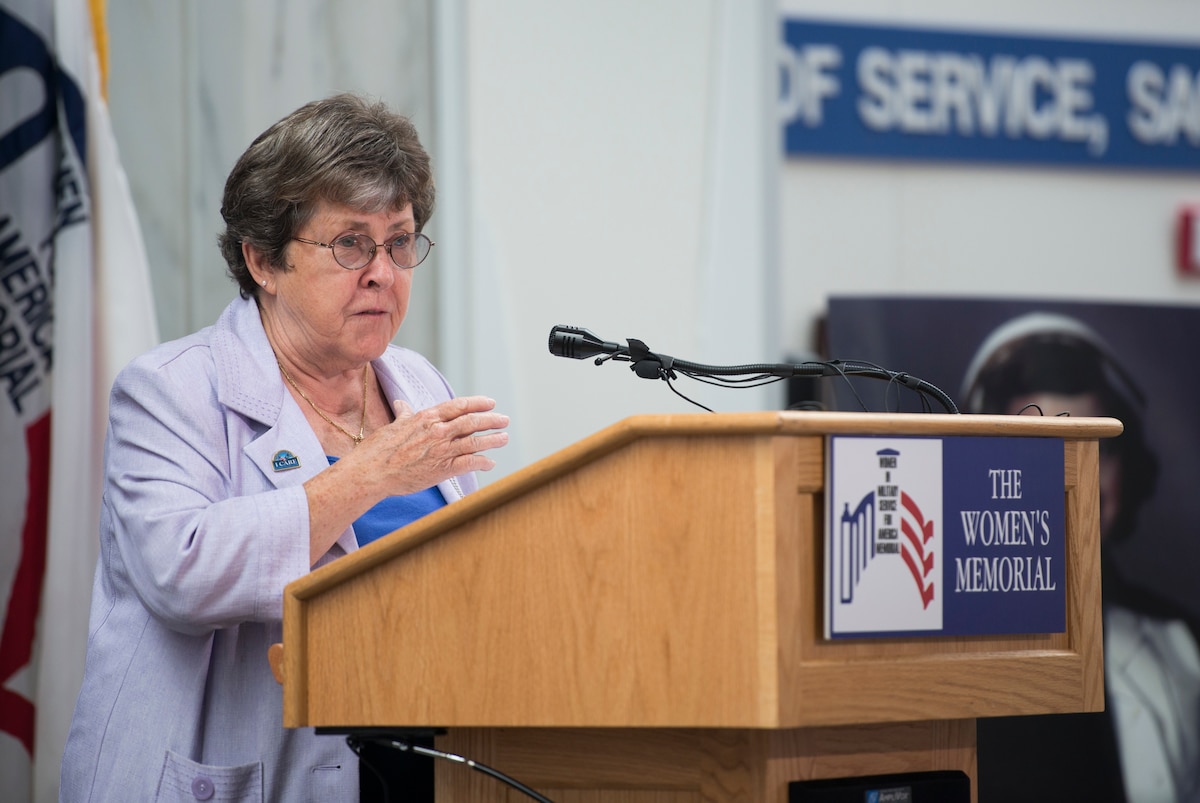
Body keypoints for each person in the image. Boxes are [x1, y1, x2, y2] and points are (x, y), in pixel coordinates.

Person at [58, 93, 509, 802]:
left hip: (418, 766)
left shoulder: (418, 381)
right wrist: (367, 475)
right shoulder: (170, 390)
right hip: (235, 776)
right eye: (350, 244)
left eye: (398, 241)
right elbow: (185, 570)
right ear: (262, 258)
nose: (382, 273)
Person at [963, 311, 1200, 803]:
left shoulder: (1180, 644)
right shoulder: (935, 649)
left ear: (1126, 468)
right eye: (1036, 446)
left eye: (1093, 447)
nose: (1067, 475)